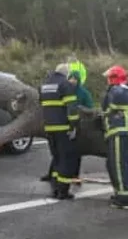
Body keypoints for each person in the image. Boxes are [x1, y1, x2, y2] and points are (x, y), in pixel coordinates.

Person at [40, 70, 93, 183]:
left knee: (70, 154)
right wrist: (72, 124)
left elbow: (90, 109)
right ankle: (56, 179)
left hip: (76, 125)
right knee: (61, 155)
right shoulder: (64, 87)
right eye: (71, 78)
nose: (72, 80)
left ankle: (72, 175)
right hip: (65, 126)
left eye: (75, 78)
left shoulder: (84, 93)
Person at [101, 65, 128, 210]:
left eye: (109, 78)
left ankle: (125, 198)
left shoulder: (117, 90)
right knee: (113, 164)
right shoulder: (125, 91)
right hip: (121, 130)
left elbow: (108, 110)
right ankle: (120, 193)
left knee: (119, 164)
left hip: (120, 130)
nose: (107, 81)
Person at [39, 63, 80, 200]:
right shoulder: (65, 84)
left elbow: (42, 105)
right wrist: (73, 125)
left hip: (49, 127)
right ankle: (63, 192)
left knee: (56, 158)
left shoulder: (44, 85)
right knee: (66, 159)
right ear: (66, 74)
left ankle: (55, 188)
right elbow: (71, 107)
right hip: (62, 128)